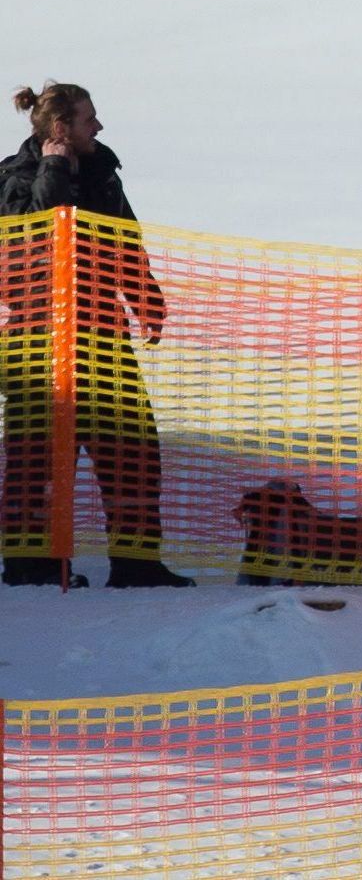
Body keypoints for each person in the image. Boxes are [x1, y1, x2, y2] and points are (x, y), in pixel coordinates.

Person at [0, 82, 194, 588]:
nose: (100, 127)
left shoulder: (104, 174)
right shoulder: (13, 178)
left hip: (104, 335)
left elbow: (127, 242)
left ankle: (137, 565)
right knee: (33, 457)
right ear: (62, 129)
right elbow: (41, 230)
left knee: (133, 451)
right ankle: (30, 568)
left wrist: (148, 302)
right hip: (35, 340)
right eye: (89, 120)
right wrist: (55, 167)